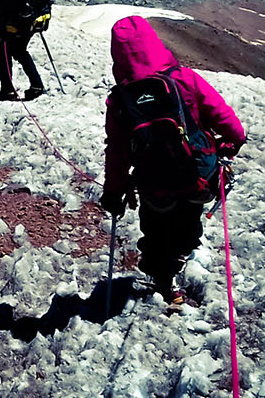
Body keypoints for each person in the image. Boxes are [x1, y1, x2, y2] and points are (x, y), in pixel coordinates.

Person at [100, 15, 246, 307]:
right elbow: (230, 125)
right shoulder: (184, 79)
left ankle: (163, 280)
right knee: (187, 223)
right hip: (197, 175)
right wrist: (229, 146)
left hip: (153, 182)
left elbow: (117, 151)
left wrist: (114, 192)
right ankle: (181, 258)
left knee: (155, 231)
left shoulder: (120, 100)